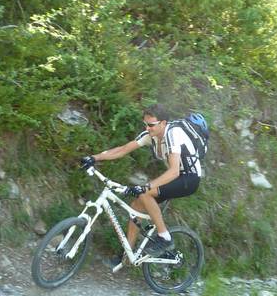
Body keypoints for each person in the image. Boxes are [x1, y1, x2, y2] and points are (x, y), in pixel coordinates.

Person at [80, 104, 203, 269]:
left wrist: (147, 187)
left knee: (145, 193)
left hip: (189, 178)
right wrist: (94, 158)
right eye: (145, 124)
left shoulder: (174, 133)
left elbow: (174, 171)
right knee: (136, 206)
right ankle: (126, 255)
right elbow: (123, 150)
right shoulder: (150, 135)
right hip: (175, 177)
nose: (147, 128)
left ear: (163, 123)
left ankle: (165, 237)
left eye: (151, 124)